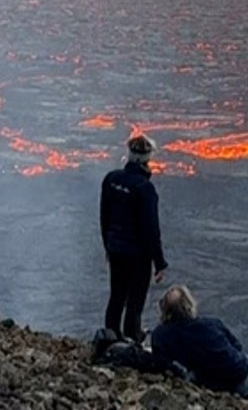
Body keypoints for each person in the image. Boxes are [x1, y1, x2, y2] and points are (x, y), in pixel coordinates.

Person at [100, 134, 168, 343]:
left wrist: (108, 247)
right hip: (137, 255)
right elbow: (151, 229)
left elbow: (104, 216)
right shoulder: (144, 189)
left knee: (117, 294)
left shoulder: (111, 179)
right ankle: (132, 335)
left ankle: (110, 335)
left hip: (116, 248)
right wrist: (159, 262)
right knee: (136, 298)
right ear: (148, 158)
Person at [148, 285, 248, 398]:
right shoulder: (212, 323)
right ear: (189, 304)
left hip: (214, 384)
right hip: (241, 370)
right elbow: (237, 346)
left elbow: (162, 362)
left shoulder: (160, 335)